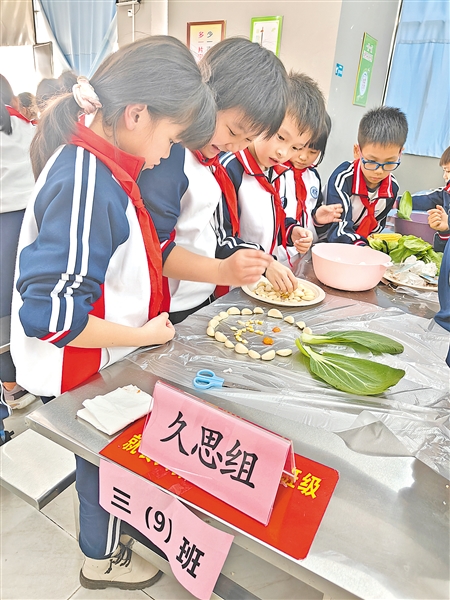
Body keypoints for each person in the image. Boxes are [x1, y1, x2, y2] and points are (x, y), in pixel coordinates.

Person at [11, 35, 216, 590]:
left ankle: (108, 542)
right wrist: (141, 334)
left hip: (101, 354)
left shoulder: (101, 164)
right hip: (79, 363)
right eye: (171, 138)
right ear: (136, 114)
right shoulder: (87, 180)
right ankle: (99, 558)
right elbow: (52, 316)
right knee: (97, 458)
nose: (167, 155)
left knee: (105, 456)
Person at [139, 37, 287, 323]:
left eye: (247, 140)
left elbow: (213, 234)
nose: (235, 147)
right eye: (232, 131)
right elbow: (154, 249)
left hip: (198, 297)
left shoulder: (212, 162)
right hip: (167, 308)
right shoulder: (168, 156)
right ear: (205, 97)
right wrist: (221, 271)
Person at [220, 72, 323, 282]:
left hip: (257, 281)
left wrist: (290, 230)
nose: (283, 153)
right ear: (263, 116)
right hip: (229, 285)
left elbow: (270, 219)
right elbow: (221, 239)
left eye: (295, 147)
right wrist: (265, 263)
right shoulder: (230, 168)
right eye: (280, 137)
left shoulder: (274, 170)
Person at [0, 75, 37, 418]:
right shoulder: (26, 127)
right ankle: (25, 376)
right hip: (33, 222)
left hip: (4, 226)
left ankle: (10, 385)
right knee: (26, 301)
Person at [325, 106, 408, 245]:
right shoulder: (343, 179)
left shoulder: (391, 188)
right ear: (357, 151)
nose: (379, 171)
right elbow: (338, 229)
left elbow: (377, 227)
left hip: (360, 245)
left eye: (389, 162)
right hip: (328, 243)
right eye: (372, 161)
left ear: (400, 153)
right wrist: (362, 249)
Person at [284, 111, 342, 244]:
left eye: (313, 152)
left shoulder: (313, 177)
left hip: (307, 247)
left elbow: (312, 211)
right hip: (280, 249)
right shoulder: (276, 173)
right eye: (299, 148)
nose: (303, 157)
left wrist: (317, 219)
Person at [410, 146, 450, 252]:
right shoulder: (446, 192)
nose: (444, 176)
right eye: (445, 171)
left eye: (448, 171)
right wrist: (445, 231)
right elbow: (429, 200)